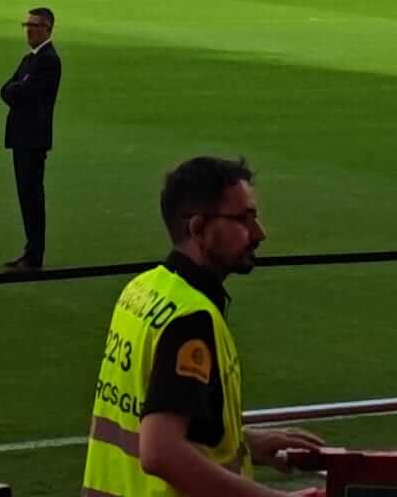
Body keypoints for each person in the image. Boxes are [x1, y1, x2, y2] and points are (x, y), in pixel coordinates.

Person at [81, 155, 322, 497]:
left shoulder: (142, 289)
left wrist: (246, 442)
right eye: (244, 220)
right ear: (197, 228)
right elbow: (161, 452)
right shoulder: (191, 319)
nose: (259, 233)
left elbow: (148, 414)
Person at [1, 7, 62, 272]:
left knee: (32, 197)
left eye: (34, 25)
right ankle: (30, 251)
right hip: (23, 138)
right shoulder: (31, 59)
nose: (29, 29)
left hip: (32, 139)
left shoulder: (47, 60)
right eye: (27, 24)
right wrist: (16, 89)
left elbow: (22, 93)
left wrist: (16, 90)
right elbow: (8, 88)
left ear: (47, 29)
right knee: (26, 196)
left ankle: (34, 254)